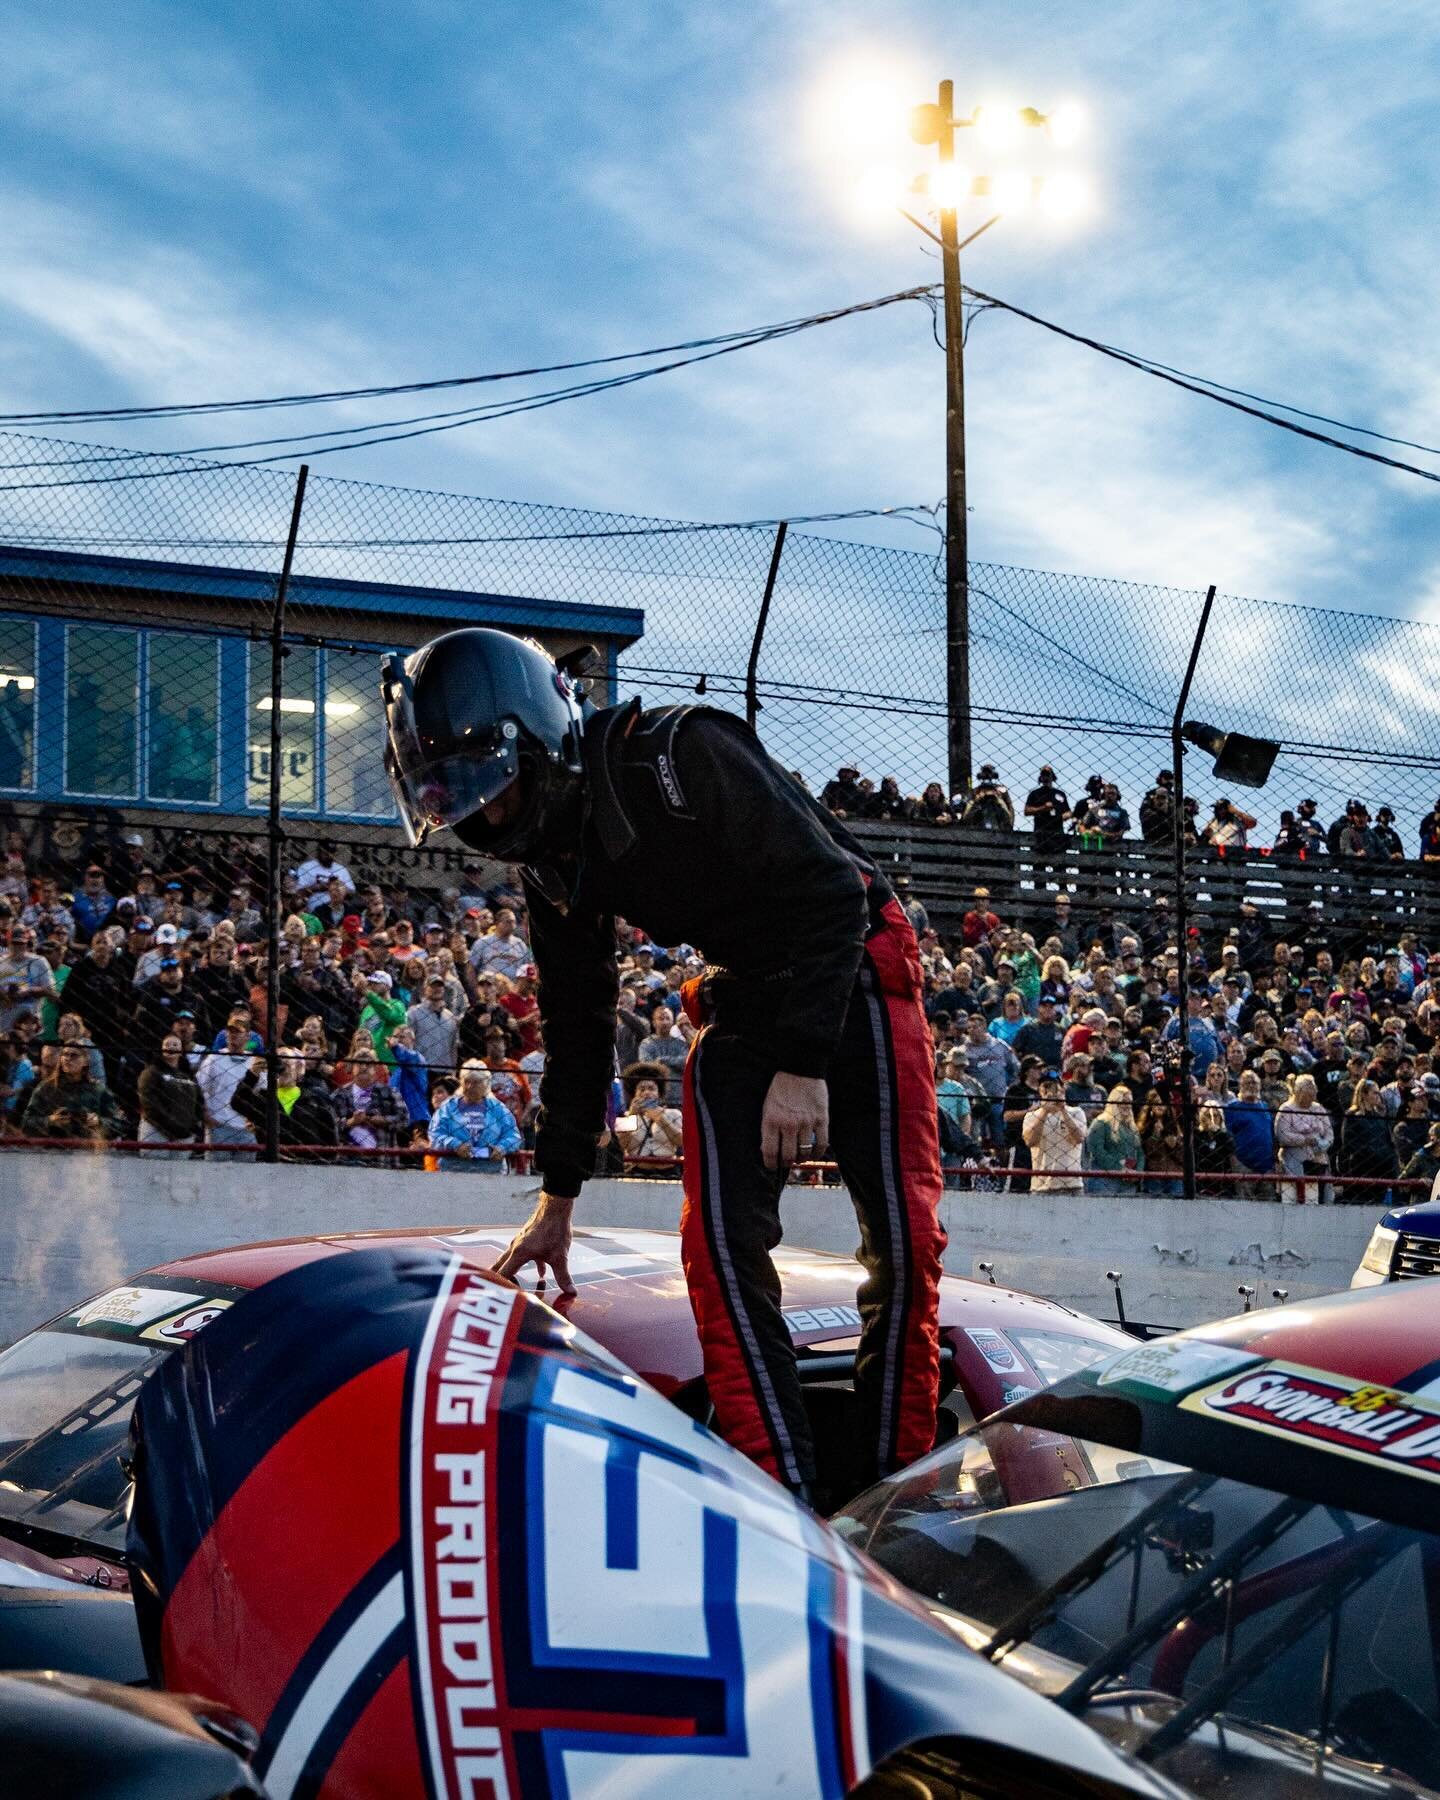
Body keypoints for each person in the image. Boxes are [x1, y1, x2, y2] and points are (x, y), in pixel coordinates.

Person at [383, 628, 945, 1499]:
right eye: (459, 801)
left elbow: (836, 893)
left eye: (489, 791)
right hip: (748, 987)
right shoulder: (548, 866)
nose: (481, 821)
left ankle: (896, 1490)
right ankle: (782, 1493)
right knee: (717, 1246)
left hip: (857, 958)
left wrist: (803, 1068)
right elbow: (577, 1027)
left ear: (538, 742)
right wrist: (557, 1198)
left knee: (902, 1246)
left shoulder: (684, 752)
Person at [232, 1050, 339, 1161]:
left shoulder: (314, 1100)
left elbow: (331, 1139)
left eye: (287, 1063)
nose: (283, 1068)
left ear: (298, 1068)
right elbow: (237, 1102)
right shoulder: (263, 1098)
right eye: (280, 1063)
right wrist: (253, 1073)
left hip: (309, 1165)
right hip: (271, 1163)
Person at [429, 1059, 522, 1171]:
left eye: (476, 1082)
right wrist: (455, 1144)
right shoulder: (448, 1107)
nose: (469, 1086)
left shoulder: (497, 1108)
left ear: (486, 1083)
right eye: (466, 1081)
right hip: (454, 1168)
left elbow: (513, 1135)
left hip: (490, 1170)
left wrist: (502, 1147)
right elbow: (435, 1134)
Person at [24, 1040, 122, 1143]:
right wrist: (50, 1121)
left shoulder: (97, 1089)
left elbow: (119, 1123)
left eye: (74, 1055)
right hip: (53, 1149)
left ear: (85, 1061)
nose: (68, 1059)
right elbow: (26, 1122)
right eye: (65, 1054)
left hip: (88, 1149)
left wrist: (98, 1121)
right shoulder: (46, 1087)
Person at [1020, 1069, 1086, 1192]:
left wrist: (1063, 1110)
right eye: (1046, 1086)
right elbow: (1030, 1141)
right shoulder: (1032, 1116)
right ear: (1040, 1090)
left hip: (1071, 1184)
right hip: (1041, 1185)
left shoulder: (1076, 1112)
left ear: (1062, 1089)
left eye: (1054, 1087)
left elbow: (1078, 1139)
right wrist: (1044, 1110)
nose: (1050, 1091)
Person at [137, 1034, 203, 1156]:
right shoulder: (152, 1072)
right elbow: (149, 1101)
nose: (171, 1047)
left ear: (181, 1051)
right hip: (156, 1130)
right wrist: (171, 1125)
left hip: (185, 1134)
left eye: (175, 1045)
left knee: (180, 1173)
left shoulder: (188, 1075)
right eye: (167, 1044)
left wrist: (192, 1126)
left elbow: (199, 1101)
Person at [1273, 1074, 1334, 1204]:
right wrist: (1305, 1139)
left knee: (1316, 1199)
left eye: (1313, 1095)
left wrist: (1323, 1144)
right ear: (1298, 1092)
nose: (1311, 1098)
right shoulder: (1286, 1109)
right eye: (1307, 1095)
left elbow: (1329, 1134)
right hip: (1293, 1160)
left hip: (1318, 1160)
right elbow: (1282, 1136)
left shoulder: (1318, 1108)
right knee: (1293, 1199)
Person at [614, 1061, 684, 1172]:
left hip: (668, 1170)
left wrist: (661, 1119)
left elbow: (681, 1142)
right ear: (634, 1093)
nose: (646, 1092)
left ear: (659, 1093)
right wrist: (632, 1116)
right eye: (641, 1089)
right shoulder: (626, 1117)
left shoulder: (673, 1114)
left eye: (651, 1089)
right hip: (637, 1170)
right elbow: (620, 1147)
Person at [1084, 1087, 1142, 1195]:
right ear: (1114, 1102)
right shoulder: (1101, 1123)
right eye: (1123, 1102)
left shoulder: (1131, 1126)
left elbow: (1140, 1152)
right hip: (1104, 1180)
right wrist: (1120, 1169)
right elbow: (1097, 1152)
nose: (1128, 1105)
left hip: (1128, 1183)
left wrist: (1137, 1172)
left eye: (1129, 1102)